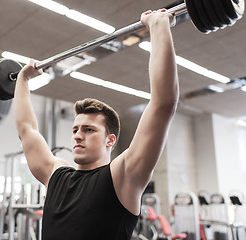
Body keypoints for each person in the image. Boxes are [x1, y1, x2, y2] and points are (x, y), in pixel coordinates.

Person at [14, 8, 179, 240]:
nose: (78, 135)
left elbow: (163, 104)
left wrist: (158, 26)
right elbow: (26, 130)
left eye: (89, 129)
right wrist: (22, 80)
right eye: (75, 129)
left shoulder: (123, 176)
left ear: (110, 139)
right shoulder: (56, 175)